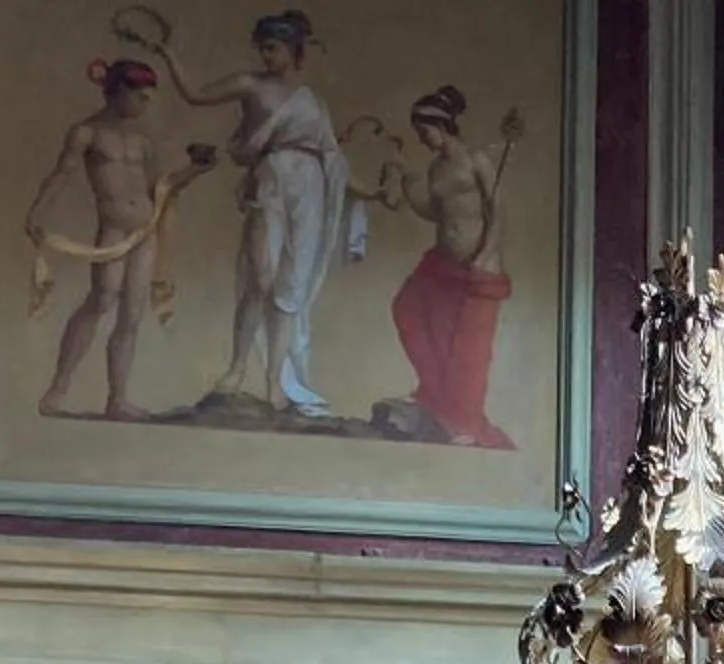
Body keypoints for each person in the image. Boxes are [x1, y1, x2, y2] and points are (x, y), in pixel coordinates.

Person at [154, 11, 349, 416]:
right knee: (260, 276)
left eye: (273, 47)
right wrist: (167, 52)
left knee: (289, 286)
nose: (265, 55)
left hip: (310, 185)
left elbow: (332, 153)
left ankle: (274, 381)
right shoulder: (250, 84)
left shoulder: (311, 99)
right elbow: (194, 93)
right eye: (262, 47)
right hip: (271, 178)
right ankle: (237, 368)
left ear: (294, 49)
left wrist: (366, 192)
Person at [26, 59, 216, 419]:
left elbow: (161, 187)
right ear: (119, 92)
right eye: (140, 96)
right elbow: (63, 173)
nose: (144, 104)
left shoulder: (143, 141)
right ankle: (58, 389)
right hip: (114, 231)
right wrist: (38, 212)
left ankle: (118, 398)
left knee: (131, 314)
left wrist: (195, 170)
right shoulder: (87, 132)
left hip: (144, 231)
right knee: (101, 300)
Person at [360, 86, 526, 447]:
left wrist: (489, 250)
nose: (422, 138)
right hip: (443, 261)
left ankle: (463, 421)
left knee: (469, 343)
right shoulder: (436, 167)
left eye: (424, 130)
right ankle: (435, 393)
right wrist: (405, 178)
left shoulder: (477, 160)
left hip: (478, 263)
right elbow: (434, 212)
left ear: (442, 124)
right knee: (408, 309)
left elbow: (498, 209)